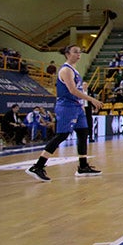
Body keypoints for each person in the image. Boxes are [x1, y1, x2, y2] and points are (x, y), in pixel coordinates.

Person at [25, 46, 104, 181]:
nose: (79, 54)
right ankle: (37, 166)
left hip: (76, 106)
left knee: (83, 132)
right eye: (75, 51)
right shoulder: (66, 70)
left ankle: (83, 166)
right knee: (62, 135)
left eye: (80, 52)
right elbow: (73, 90)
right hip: (66, 106)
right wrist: (92, 99)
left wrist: (83, 106)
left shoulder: (74, 70)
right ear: (67, 54)